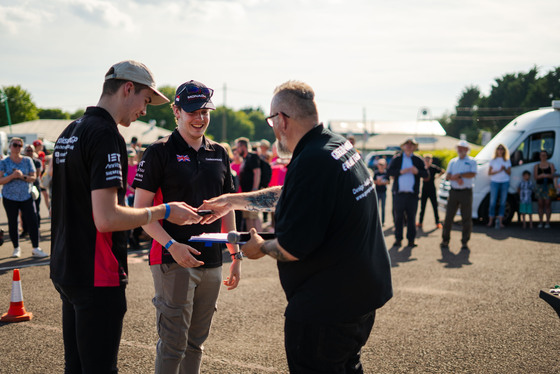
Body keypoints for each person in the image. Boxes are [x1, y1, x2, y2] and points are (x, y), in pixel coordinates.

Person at [199, 80, 393, 373]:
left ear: (282, 120)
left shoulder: (313, 161)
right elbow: (293, 194)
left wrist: (259, 248)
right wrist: (232, 201)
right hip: (360, 294)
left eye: (271, 120)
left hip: (327, 307)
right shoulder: (335, 145)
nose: (272, 129)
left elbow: (292, 248)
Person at [50, 60, 200, 374]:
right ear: (127, 89)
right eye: (145, 100)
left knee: (75, 368)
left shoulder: (70, 130)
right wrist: (165, 210)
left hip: (66, 267)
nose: (144, 111)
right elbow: (106, 218)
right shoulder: (106, 135)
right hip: (97, 274)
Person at [133, 80, 241, 374]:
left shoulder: (219, 152)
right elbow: (140, 211)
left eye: (205, 111)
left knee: (196, 343)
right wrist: (172, 245)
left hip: (212, 260)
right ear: (176, 111)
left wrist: (235, 256)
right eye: (192, 111)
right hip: (172, 259)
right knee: (173, 344)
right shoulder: (158, 152)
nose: (200, 118)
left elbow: (228, 206)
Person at [0, 137, 46, 258]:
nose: (17, 148)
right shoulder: (4, 162)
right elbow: (0, 180)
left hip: (26, 196)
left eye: (20, 145)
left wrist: (21, 176)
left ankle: (36, 247)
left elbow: (33, 177)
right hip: (9, 197)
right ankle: (16, 248)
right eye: (15, 145)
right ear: (10, 147)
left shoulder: (27, 160)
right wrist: (12, 176)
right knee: (12, 222)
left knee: (33, 221)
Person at [387, 138, 428, 247]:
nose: (409, 146)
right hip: (399, 194)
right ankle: (398, 239)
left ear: (414, 147)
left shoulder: (417, 160)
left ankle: (411, 240)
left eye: (412, 144)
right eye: (407, 144)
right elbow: (389, 172)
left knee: (411, 218)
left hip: (412, 195)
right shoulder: (397, 159)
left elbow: (426, 174)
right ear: (403, 146)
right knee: (398, 217)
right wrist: (400, 172)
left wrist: (417, 171)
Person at [441, 140, 477, 251]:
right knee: (448, 217)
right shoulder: (453, 161)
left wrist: (460, 175)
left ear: (467, 150)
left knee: (466, 218)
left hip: (466, 192)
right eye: (459, 148)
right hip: (454, 192)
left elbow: (473, 173)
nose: (460, 150)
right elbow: (447, 175)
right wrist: (454, 177)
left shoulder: (471, 161)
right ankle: (445, 240)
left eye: (462, 148)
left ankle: (465, 241)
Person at [235, 137, 262, 231]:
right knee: (248, 216)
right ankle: (251, 238)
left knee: (253, 216)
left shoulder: (252, 157)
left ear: (243, 146)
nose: (237, 150)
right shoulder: (245, 159)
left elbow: (257, 173)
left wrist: (255, 189)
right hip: (246, 192)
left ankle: (258, 237)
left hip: (252, 192)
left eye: (238, 147)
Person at [487, 144, 511, 228]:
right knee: (493, 202)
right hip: (495, 182)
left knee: (503, 202)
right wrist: (499, 170)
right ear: (496, 150)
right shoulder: (493, 160)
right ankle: (490, 221)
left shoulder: (507, 160)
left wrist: (504, 169)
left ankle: (500, 222)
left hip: (505, 182)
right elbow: (489, 173)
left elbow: (509, 173)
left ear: (504, 150)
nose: (500, 150)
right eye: (498, 149)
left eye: (502, 149)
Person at [417, 154, 445, 229]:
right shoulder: (423, 168)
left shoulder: (433, 168)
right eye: (425, 160)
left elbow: (442, 171)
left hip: (432, 189)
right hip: (424, 190)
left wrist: (437, 176)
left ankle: (437, 222)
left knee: (434, 206)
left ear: (431, 161)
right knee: (423, 207)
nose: (427, 161)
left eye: (428, 160)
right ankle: (420, 222)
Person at [533, 150, 555, 228]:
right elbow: (535, 177)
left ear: (547, 156)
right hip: (539, 187)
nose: (543, 157)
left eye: (544, 155)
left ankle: (547, 222)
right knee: (540, 204)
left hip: (549, 186)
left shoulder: (551, 165)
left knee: (548, 204)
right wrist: (543, 175)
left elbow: (553, 176)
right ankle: (541, 222)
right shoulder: (537, 166)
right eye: (542, 155)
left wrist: (544, 175)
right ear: (539, 156)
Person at [373, 158, 389, 225]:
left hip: (383, 192)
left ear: (385, 165)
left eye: (382, 164)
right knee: (376, 207)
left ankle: (382, 221)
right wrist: (377, 182)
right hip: (377, 192)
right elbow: (373, 181)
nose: (381, 166)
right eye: (380, 164)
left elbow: (388, 181)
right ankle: (376, 221)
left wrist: (382, 183)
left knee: (383, 207)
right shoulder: (376, 173)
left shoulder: (386, 173)